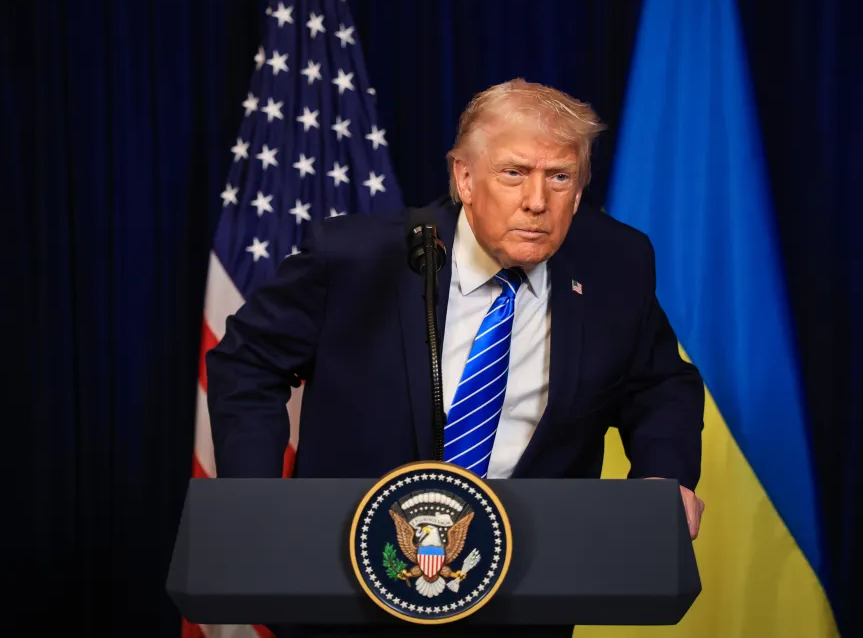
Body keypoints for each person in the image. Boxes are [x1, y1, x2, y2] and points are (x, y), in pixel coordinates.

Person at [206, 79, 705, 636]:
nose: (537, 201)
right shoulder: (358, 258)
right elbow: (247, 360)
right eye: (514, 173)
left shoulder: (617, 263)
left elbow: (660, 382)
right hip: (352, 588)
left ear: (580, 189)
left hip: (526, 595)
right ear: (465, 178)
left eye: (559, 177)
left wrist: (665, 473)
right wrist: (254, 500)